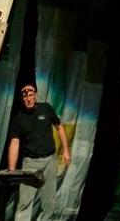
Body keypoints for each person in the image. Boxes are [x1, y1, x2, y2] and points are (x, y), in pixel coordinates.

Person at [7, 82, 71, 220]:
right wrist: (12, 169)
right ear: (22, 98)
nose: (28, 99)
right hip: (30, 163)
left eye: (31, 95)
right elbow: (14, 143)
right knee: (25, 202)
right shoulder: (18, 119)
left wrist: (66, 150)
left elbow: (59, 127)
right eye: (25, 97)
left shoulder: (46, 108)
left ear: (35, 95)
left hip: (50, 160)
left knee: (49, 202)